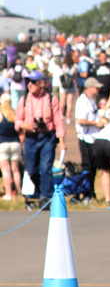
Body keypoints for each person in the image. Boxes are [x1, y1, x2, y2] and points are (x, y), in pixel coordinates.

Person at [16, 68, 65, 204]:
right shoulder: (24, 99)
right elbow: (17, 120)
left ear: (41, 84)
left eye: (33, 82)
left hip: (47, 136)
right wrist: (27, 126)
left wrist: (61, 141)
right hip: (31, 138)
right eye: (28, 82)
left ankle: (46, 196)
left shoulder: (50, 99)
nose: (30, 85)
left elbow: (58, 120)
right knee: (31, 169)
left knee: (46, 167)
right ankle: (38, 191)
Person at [74, 76, 107, 195]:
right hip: (85, 138)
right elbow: (79, 120)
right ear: (89, 87)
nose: (98, 90)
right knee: (87, 167)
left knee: (94, 166)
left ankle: (91, 191)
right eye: (96, 87)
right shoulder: (82, 101)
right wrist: (96, 124)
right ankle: (84, 192)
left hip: (94, 138)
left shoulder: (92, 100)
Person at [0, 85, 22, 201]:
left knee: (6, 170)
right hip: (16, 143)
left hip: (3, 143)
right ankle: (19, 193)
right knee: (16, 170)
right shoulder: (14, 114)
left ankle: (9, 193)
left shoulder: (1, 114)